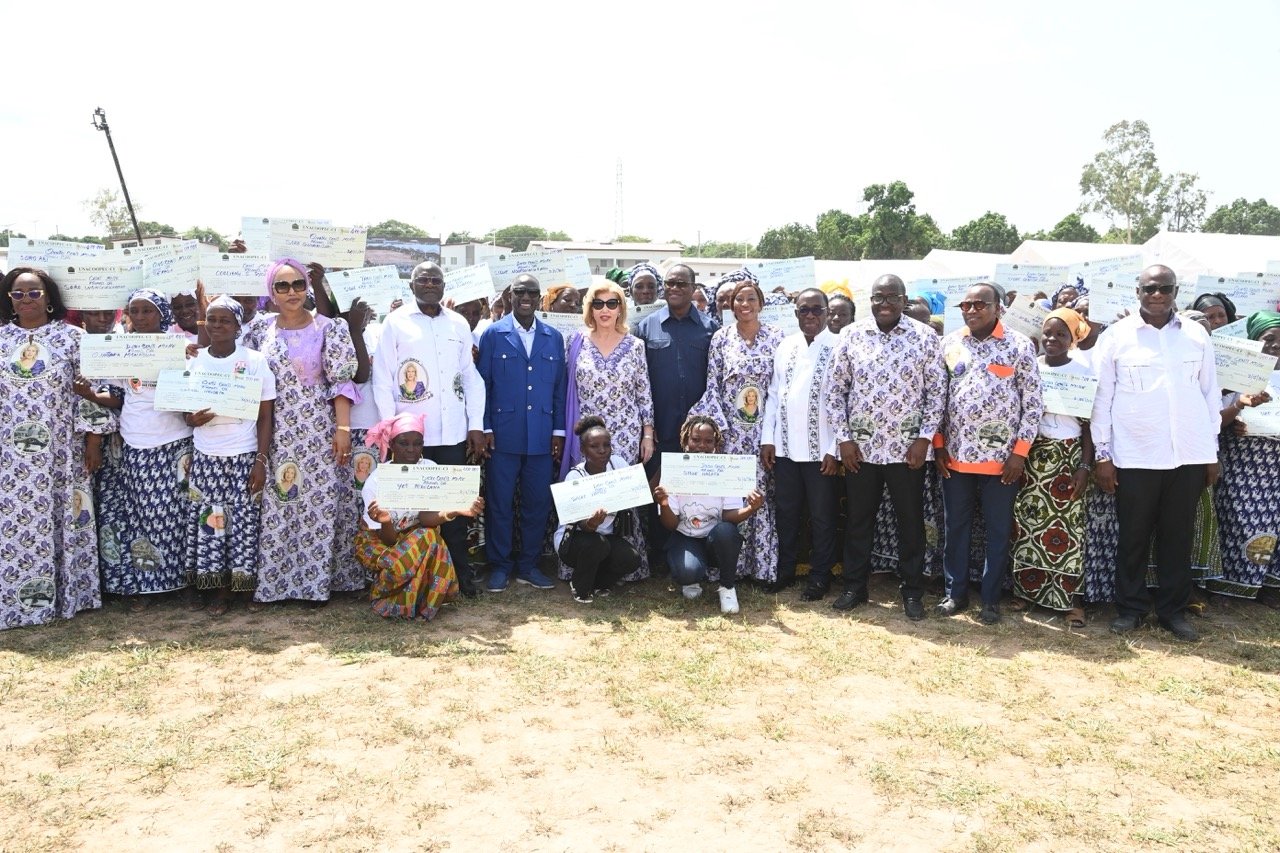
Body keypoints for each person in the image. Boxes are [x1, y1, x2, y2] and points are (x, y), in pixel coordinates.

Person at [1091, 265, 1219, 641]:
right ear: (1138, 292)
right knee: (1133, 536)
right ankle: (1130, 609)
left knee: (1177, 537)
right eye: (1150, 289)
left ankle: (1172, 612)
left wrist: (1211, 452)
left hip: (1188, 454)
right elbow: (1101, 399)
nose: (1157, 294)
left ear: (1176, 291)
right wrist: (1102, 455)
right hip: (1135, 455)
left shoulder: (1196, 335)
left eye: (1165, 288)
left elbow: (1209, 394)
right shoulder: (1116, 337)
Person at [824, 274, 945, 620]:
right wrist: (844, 439)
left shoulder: (924, 337)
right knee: (859, 520)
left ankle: (912, 591)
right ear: (871, 301)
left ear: (904, 301)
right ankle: (854, 587)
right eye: (879, 297)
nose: (885, 303)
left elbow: (937, 393)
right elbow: (835, 391)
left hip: (908, 450)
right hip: (861, 450)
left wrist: (924, 439)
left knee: (910, 522)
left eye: (892, 297)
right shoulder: (852, 335)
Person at [241, 259, 361, 607]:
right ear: (271, 292)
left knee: (319, 503)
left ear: (307, 287)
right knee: (281, 501)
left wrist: (342, 429)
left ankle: (316, 584)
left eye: (298, 284)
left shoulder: (329, 328)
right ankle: (278, 584)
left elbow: (340, 382)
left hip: (319, 430)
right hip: (274, 429)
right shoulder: (258, 330)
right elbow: (236, 365)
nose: (291, 292)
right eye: (283, 286)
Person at [1, 268, 112, 629]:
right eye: (18, 294)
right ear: (9, 299)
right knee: (17, 523)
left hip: (63, 450)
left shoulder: (73, 338)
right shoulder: (1, 340)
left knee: (66, 517)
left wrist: (93, 442)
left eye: (34, 293)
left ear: (48, 297)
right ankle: (18, 600)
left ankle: (69, 596)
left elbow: (91, 390)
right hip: (11, 456)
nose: (26, 300)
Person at [79, 289, 199, 611]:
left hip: (176, 442)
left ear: (162, 314)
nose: (142, 317)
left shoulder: (180, 347)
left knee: (176, 515)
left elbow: (194, 392)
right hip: (136, 443)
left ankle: (182, 583)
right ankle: (147, 586)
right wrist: (90, 395)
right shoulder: (123, 350)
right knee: (143, 517)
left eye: (149, 311)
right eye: (136, 311)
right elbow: (117, 396)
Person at [373, 261, 487, 596]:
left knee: (454, 509)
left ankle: (460, 579)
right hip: (411, 440)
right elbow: (382, 378)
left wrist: (475, 425)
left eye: (435, 280)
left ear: (444, 286)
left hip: (452, 433)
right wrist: (390, 429)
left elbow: (470, 377)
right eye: (423, 280)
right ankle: (415, 580)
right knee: (412, 510)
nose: (429, 284)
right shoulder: (395, 322)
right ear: (411, 286)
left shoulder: (458, 323)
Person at [934, 282, 1041, 625]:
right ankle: (955, 594)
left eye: (980, 304)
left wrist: (1019, 454)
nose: (971, 310)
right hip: (956, 457)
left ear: (998, 308)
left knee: (997, 530)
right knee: (956, 528)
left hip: (1003, 462)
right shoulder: (950, 343)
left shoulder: (1018, 345)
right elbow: (937, 397)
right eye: (966, 305)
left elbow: (1033, 404)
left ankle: (991, 599)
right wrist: (938, 445)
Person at [183, 295, 276, 616]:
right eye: (212, 319)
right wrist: (191, 419)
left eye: (225, 320)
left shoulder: (255, 361)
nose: (217, 325)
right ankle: (216, 590)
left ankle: (242, 588)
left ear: (238, 326)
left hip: (242, 454)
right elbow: (183, 409)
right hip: (206, 455)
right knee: (211, 523)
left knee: (243, 523)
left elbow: (265, 416)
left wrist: (260, 461)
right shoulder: (193, 360)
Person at [691, 269, 783, 584]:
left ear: (761, 303)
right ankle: (732, 565)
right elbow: (713, 386)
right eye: (739, 300)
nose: (745, 304)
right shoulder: (721, 338)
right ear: (730, 306)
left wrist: (772, 435)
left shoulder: (777, 337)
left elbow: (779, 390)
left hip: (763, 433)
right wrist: (719, 433)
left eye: (751, 299)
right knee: (731, 496)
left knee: (760, 495)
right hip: (731, 432)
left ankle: (760, 567)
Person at [558, 279, 654, 580]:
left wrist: (647, 435)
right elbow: (566, 389)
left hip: (624, 432)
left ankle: (623, 566)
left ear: (620, 308)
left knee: (621, 498)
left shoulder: (635, 345)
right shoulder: (576, 342)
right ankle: (582, 563)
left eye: (612, 303)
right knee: (585, 494)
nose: (605, 310)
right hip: (586, 434)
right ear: (590, 308)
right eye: (598, 303)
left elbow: (644, 393)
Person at [477, 274, 567, 592]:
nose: (526, 297)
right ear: (510, 296)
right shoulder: (493, 334)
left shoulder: (553, 337)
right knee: (499, 503)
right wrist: (486, 427)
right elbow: (483, 386)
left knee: (536, 503)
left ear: (540, 298)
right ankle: (500, 565)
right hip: (502, 435)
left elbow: (558, 389)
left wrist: (558, 431)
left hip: (541, 435)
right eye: (520, 292)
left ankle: (528, 565)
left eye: (531, 292)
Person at [1010, 308, 1094, 627]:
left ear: (1073, 339)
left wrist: (1084, 466)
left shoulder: (1083, 371)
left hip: (1068, 458)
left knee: (1068, 529)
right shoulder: (1031, 366)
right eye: (1048, 333)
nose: (1052, 339)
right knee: (1026, 525)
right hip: (1032, 456)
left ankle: (1070, 601)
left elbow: (1089, 425)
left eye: (1061, 334)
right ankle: (1026, 591)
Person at [358, 413, 484, 620]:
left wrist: (457, 510)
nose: (411, 449)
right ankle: (387, 595)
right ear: (391, 445)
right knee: (425, 538)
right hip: (380, 541)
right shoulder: (377, 481)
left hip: (416, 538)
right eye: (403, 443)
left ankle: (417, 601)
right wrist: (386, 520)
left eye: (417, 444)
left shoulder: (429, 469)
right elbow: (387, 540)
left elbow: (426, 519)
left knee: (429, 535)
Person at [632, 263, 718, 565]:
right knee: (659, 492)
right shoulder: (646, 328)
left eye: (682, 283)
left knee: (697, 494)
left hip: (699, 436)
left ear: (693, 287)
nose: (675, 288)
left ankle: (696, 553)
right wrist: (646, 427)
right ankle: (660, 556)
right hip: (662, 429)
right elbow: (639, 381)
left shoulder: (710, 328)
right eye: (669, 283)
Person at [761, 288, 841, 599]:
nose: (810, 315)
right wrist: (768, 439)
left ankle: (820, 576)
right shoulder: (786, 346)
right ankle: (785, 570)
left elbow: (844, 401)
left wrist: (835, 448)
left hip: (822, 451)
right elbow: (773, 395)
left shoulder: (838, 346)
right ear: (795, 314)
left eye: (816, 310)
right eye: (804, 310)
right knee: (786, 512)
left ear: (827, 313)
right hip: (784, 449)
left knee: (822, 516)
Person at [653, 416, 765, 614]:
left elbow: (728, 516)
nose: (702, 446)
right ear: (685, 441)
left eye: (708, 441)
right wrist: (664, 503)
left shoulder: (724, 470)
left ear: (716, 444)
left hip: (716, 538)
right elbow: (670, 525)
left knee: (726, 531)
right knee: (687, 572)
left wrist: (751, 508)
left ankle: (727, 588)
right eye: (695, 440)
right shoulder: (674, 470)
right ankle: (692, 577)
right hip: (685, 536)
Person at [1214, 310, 1280, 602]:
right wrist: (1237, 414)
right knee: (1236, 520)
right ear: (1254, 340)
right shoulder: (1235, 377)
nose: (1275, 346)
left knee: (1271, 524)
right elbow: (1215, 419)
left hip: (1274, 464)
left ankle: (1266, 584)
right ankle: (1229, 586)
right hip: (1242, 463)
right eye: (1269, 339)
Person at [554, 417, 644, 602]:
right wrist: (593, 523)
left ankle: (599, 583)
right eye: (594, 446)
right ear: (582, 450)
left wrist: (661, 473)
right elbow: (583, 527)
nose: (602, 450)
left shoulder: (617, 465)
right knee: (596, 544)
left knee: (631, 558)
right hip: (574, 540)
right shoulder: (575, 477)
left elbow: (639, 491)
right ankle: (580, 588)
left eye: (607, 445)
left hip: (606, 538)